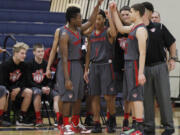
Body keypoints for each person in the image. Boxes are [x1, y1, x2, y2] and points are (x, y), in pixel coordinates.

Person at [56, 0, 103, 134]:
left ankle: (75, 124)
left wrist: (98, 6)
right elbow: (64, 58)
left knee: (77, 97)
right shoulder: (64, 34)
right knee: (67, 97)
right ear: (72, 19)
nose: (81, 19)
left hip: (77, 64)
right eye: (79, 18)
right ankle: (65, 126)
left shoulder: (78, 29)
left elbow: (91, 21)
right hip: (67, 65)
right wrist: (67, 79)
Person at [110, 2, 148, 134]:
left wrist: (141, 73)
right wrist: (114, 11)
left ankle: (139, 128)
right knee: (132, 96)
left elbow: (142, 52)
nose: (129, 14)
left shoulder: (141, 30)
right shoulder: (133, 27)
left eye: (131, 12)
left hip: (135, 64)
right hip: (129, 64)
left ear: (137, 13)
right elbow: (120, 28)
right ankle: (135, 126)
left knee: (137, 97)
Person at [142, 2, 176, 135]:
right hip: (144, 68)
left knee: (163, 97)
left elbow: (172, 43)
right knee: (147, 99)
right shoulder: (137, 29)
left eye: (143, 10)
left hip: (160, 66)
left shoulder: (159, 27)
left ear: (150, 12)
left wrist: (172, 58)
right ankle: (149, 127)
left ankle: (168, 126)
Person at [84, 9, 117, 133]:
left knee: (109, 97)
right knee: (94, 96)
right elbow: (88, 53)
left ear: (104, 19)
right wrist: (86, 70)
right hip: (94, 66)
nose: (97, 21)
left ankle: (111, 119)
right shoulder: (90, 34)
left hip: (106, 66)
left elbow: (114, 33)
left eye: (99, 19)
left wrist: (111, 18)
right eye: (95, 19)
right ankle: (96, 123)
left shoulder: (107, 31)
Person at [113, 6, 135, 131]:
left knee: (129, 96)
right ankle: (112, 119)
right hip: (117, 66)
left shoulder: (135, 28)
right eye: (123, 15)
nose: (125, 17)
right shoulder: (116, 29)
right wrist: (112, 13)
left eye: (127, 14)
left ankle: (127, 119)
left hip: (131, 66)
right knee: (111, 95)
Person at [1, 42, 33, 126]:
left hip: (18, 88)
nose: (24, 55)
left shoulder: (24, 65)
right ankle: (4, 117)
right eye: (22, 53)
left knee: (29, 92)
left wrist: (18, 88)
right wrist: (11, 91)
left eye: (25, 53)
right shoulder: (5, 65)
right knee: (6, 92)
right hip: (7, 89)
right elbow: (2, 82)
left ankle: (21, 117)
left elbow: (25, 81)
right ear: (15, 53)